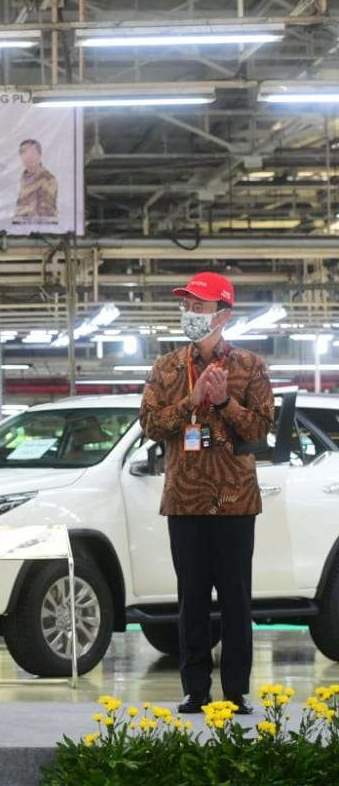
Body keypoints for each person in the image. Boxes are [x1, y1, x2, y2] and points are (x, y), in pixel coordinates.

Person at [139, 272, 273, 716]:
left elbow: (259, 428)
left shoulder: (250, 367)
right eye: (188, 307)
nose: (191, 314)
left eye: (200, 307)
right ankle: (195, 689)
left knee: (236, 600)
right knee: (191, 598)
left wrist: (221, 404)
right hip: (185, 499)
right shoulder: (167, 368)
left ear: (223, 314)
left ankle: (237, 691)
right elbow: (150, 425)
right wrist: (189, 401)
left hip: (235, 501)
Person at [13, 139, 58, 223]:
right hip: (20, 227)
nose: (28, 157)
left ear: (40, 155)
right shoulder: (22, 177)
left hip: (37, 228)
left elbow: (46, 214)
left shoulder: (47, 179)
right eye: (24, 153)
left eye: (32, 153)